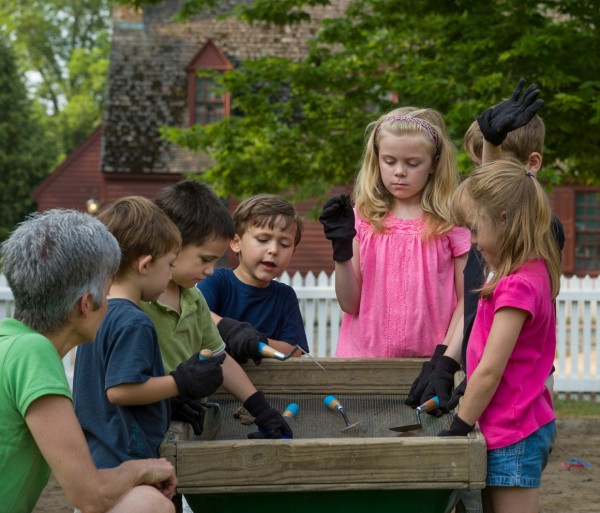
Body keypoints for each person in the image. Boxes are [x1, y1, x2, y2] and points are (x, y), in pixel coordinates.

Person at [0, 209, 177, 513]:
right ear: (86, 304)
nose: (109, 302)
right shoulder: (33, 353)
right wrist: (145, 468)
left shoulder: (8, 340)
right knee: (148, 504)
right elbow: (90, 495)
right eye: (107, 293)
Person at [438, 159, 561, 513]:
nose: (473, 241)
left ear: (505, 220)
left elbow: (491, 370)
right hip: (503, 426)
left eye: (475, 229)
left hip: (515, 432)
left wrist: (459, 426)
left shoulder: (518, 284)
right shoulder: (522, 270)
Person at [73, 196, 226, 469]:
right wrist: (181, 382)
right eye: (169, 264)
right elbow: (120, 390)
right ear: (144, 265)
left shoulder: (98, 314)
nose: (170, 275)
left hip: (95, 456)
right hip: (125, 459)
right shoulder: (135, 322)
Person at [141, 180, 293, 439]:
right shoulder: (137, 301)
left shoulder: (193, 298)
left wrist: (260, 409)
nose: (211, 270)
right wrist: (165, 398)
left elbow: (220, 359)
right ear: (171, 243)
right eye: (205, 259)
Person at [319, 106, 471, 358]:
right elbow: (349, 304)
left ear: (433, 164)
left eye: (412, 163)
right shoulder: (362, 218)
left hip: (430, 366)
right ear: (376, 160)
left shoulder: (451, 222)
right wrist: (341, 249)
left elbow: (468, 301)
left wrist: (445, 360)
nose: (399, 171)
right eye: (389, 161)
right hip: (362, 362)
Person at [198, 193, 308, 364]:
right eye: (263, 239)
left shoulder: (285, 296)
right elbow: (195, 316)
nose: (274, 250)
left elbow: (296, 351)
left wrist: (258, 342)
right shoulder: (216, 280)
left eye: (284, 244)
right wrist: (232, 330)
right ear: (236, 242)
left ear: (293, 251)